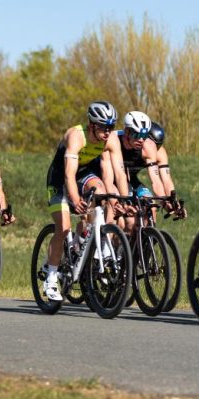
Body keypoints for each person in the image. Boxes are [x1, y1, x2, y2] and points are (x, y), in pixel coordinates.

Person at [43, 101, 130, 302]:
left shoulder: (111, 140)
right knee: (63, 227)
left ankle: (84, 240)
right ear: (91, 125)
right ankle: (51, 277)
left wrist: (122, 200)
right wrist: (74, 198)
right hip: (60, 177)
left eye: (111, 126)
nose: (108, 132)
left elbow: (119, 173)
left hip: (84, 174)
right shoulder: (76, 136)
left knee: (102, 193)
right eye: (103, 127)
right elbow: (68, 174)